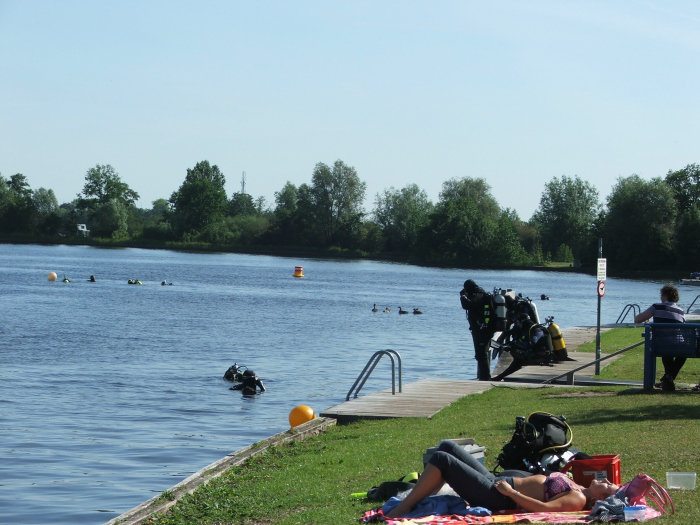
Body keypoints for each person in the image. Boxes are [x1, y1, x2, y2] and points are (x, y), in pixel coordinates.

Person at [385, 441, 619, 518]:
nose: (606, 481)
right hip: (497, 483)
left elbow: (544, 509)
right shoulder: (578, 486)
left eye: (608, 487)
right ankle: (422, 496)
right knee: (448, 446)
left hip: (497, 496)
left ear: (599, 498)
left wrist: (511, 493)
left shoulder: (577, 500)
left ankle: (404, 507)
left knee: (442, 459)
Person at [634, 284, 685, 391]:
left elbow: (637, 319)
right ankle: (669, 377)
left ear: (666, 296)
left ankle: (668, 377)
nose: (660, 297)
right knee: (680, 351)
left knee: (665, 347)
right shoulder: (681, 312)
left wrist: (650, 324)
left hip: (660, 344)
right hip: (679, 346)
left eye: (661, 295)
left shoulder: (656, 307)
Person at [460, 280, 496, 380]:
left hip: (483, 329)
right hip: (481, 328)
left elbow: (467, 305)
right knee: (481, 353)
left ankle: (485, 377)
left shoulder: (478, 295)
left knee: (481, 353)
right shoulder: (480, 294)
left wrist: (463, 296)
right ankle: (484, 376)